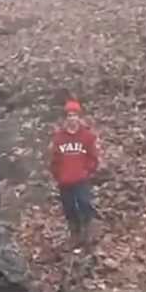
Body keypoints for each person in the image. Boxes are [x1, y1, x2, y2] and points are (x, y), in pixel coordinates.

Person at [49, 98, 101, 251]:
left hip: (81, 179)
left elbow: (93, 157)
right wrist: (58, 175)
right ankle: (75, 235)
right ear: (65, 118)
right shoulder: (59, 138)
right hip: (64, 181)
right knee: (69, 208)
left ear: (79, 117)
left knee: (85, 203)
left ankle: (89, 234)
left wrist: (87, 171)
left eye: (74, 115)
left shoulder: (87, 137)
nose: (72, 118)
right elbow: (54, 159)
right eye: (69, 115)